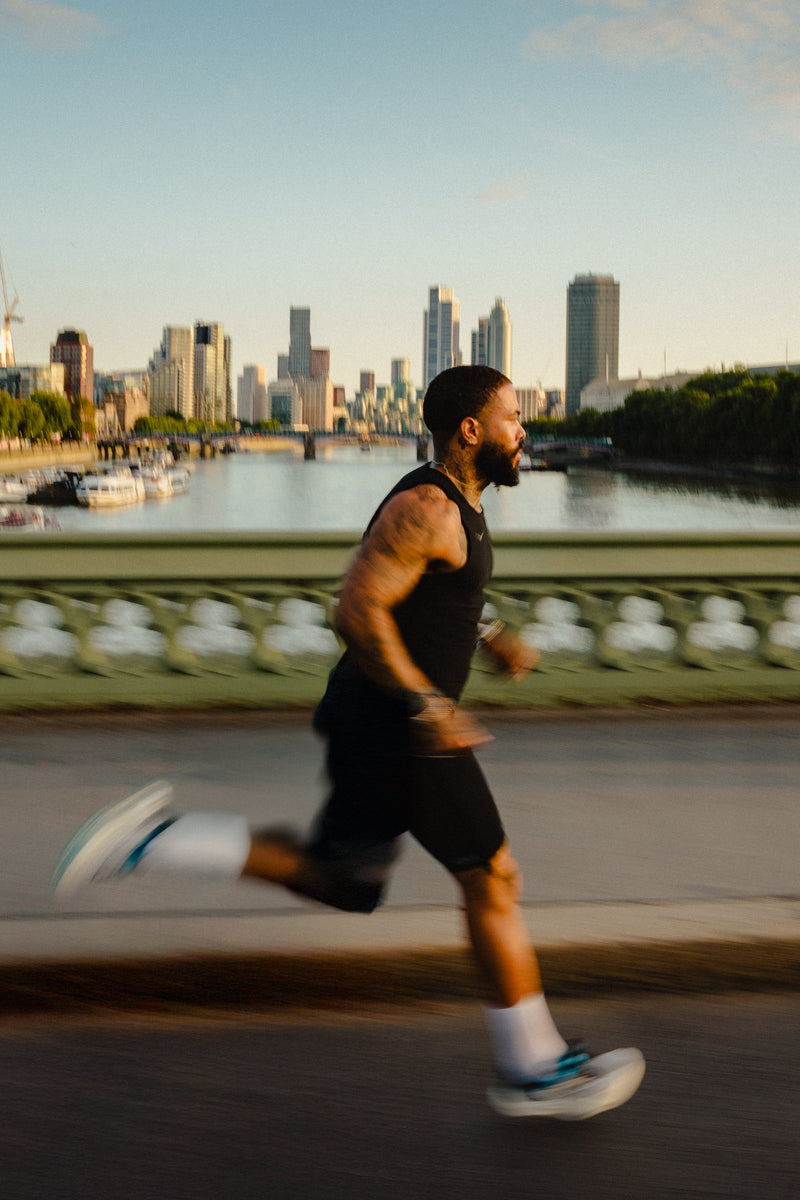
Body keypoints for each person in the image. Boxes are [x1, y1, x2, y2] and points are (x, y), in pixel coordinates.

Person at [52, 365, 644, 1120]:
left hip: (381, 723)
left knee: (345, 880)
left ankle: (156, 841)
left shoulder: (456, 501)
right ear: (470, 430)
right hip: (403, 729)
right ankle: (533, 1068)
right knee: (492, 877)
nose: (524, 430)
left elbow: (428, 591)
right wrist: (428, 703)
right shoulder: (430, 505)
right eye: (512, 417)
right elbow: (357, 609)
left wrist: (487, 635)